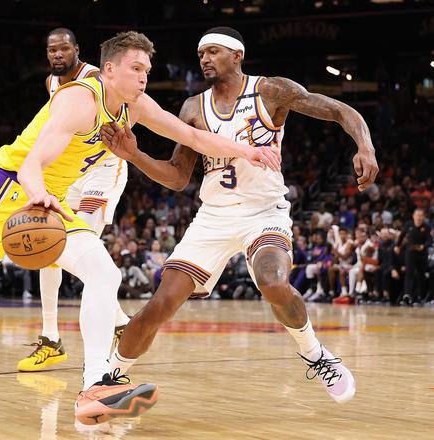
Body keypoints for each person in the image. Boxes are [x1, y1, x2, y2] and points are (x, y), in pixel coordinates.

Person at [0, 31, 279, 425]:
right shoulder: (79, 100)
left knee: (105, 274)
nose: (144, 77)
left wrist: (247, 151)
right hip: (6, 191)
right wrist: (39, 193)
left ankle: (95, 385)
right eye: (136, 68)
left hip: (50, 200)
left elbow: (193, 137)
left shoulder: (134, 106)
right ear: (109, 70)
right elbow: (31, 164)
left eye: (147, 69)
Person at [102, 27, 378, 410]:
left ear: (237, 55)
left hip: (263, 212)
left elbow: (340, 110)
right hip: (213, 217)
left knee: (273, 281)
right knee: (159, 305)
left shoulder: (270, 91)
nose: (204, 58)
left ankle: (314, 353)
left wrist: (365, 146)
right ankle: (108, 380)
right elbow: (178, 177)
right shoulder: (193, 108)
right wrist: (134, 155)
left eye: (213, 51)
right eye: (201, 53)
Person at [18, 28, 131, 373]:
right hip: (71, 173)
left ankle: (113, 331)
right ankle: (53, 338)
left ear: (77, 50)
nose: (57, 54)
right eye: (52, 49)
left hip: (103, 169)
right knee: (48, 244)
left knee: (81, 247)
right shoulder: (52, 83)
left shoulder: (96, 79)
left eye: (64, 48)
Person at [395, 208, 431, 306]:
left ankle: (420, 296)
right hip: (410, 253)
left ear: (424, 217)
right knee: (409, 273)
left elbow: (429, 240)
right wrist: (397, 246)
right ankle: (407, 295)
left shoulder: (427, 227)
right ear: (413, 216)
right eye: (417, 215)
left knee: (421, 275)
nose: (419, 217)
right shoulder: (408, 225)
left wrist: (423, 246)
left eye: (421, 215)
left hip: (422, 254)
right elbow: (402, 235)